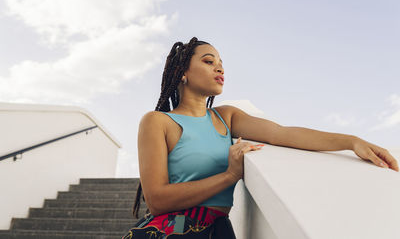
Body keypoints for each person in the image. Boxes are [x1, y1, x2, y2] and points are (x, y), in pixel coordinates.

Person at [122, 37, 399, 239]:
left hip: (218, 230)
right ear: (182, 72)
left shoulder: (225, 117)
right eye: (209, 62)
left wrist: (351, 142)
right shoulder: (157, 122)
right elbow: (157, 199)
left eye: (221, 63)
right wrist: (229, 176)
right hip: (173, 231)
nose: (219, 68)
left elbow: (284, 134)